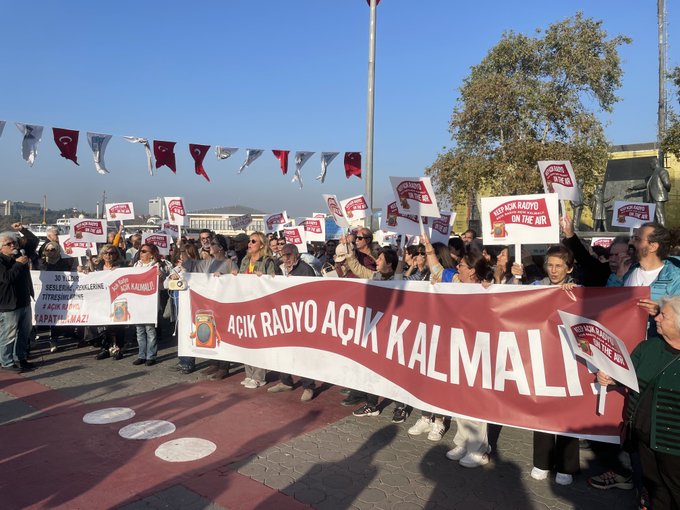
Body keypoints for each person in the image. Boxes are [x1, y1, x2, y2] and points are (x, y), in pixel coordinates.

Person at [597, 296, 680, 510]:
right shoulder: (648, 347)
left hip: (674, 446)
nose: (657, 318)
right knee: (655, 490)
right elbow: (625, 375)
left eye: (664, 315)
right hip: (642, 439)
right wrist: (609, 378)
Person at [267, 243, 318, 402]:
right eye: (283, 255)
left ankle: (309, 386)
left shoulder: (305, 270)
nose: (286, 258)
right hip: (283, 315)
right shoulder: (278, 267)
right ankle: (285, 381)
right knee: (283, 350)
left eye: (289, 255)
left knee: (303, 353)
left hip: (300, 316)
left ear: (296, 254)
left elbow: (311, 292)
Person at [238, 232, 277, 388]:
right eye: (249, 241)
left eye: (253, 241)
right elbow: (240, 278)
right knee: (247, 340)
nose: (249, 243)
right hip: (246, 305)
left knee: (259, 342)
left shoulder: (268, 261)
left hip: (261, 306)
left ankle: (259, 376)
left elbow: (274, 280)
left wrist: (266, 276)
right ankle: (249, 374)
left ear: (262, 245)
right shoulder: (245, 260)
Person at [81, 244, 126, 360]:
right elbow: (92, 279)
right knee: (104, 325)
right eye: (106, 253)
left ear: (116, 255)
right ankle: (105, 348)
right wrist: (84, 272)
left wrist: (119, 271)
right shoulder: (99, 267)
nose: (108, 255)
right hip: (103, 300)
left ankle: (119, 348)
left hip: (117, 299)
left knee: (118, 325)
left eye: (111, 253)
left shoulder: (121, 266)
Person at [0, 231, 35, 372]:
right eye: (8, 244)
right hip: (9, 305)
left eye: (14, 242)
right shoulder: (2, 261)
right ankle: (6, 362)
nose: (13, 245)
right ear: (1, 247)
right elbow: (7, 278)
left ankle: (20, 358)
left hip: (24, 301)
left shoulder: (19, 256)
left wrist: (23, 229)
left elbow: (33, 241)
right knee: (8, 336)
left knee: (24, 333)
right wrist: (18, 264)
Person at [132, 243, 170, 367]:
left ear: (152, 254)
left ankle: (151, 355)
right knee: (139, 330)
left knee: (150, 329)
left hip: (150, 301)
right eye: (140, 251)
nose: (141, 254)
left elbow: (165, 283)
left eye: (144, 251)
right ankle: (141, 355)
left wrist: (162, 275)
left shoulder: (158, 265)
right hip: (138, 300)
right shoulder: (136, 265)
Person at [36, 240, 76, 353]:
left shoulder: (65, 262)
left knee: (55, 318)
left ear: (58, 250)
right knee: (42, 316)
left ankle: (54, 340)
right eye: (47, 250)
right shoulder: (41, 262)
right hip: (43, 294)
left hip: (59, 294)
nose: (50, 252)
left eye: (52, 249)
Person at [627, 157, 671, 226]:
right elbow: (645, 185)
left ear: (655, 163)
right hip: (653, 197)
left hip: (658, 197)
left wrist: (666, 191)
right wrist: (633, 188)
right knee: (656, 216)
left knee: (659, 215)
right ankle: (658, 230)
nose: (650, 166)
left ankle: (662, 232)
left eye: (650, 164)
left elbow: (667, 183)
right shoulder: (654, 174)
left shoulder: (662, 171)